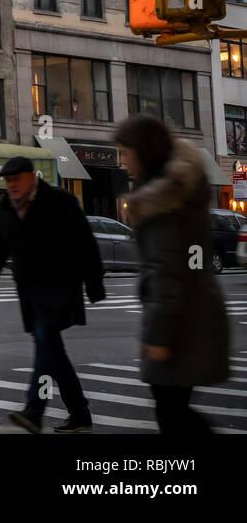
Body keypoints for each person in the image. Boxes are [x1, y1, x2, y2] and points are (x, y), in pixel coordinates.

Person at [114, 115, 230, 435]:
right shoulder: (178, 193)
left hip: (179, 324)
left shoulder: (161, 205)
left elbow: (168, 274)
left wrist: (159, 336)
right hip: (192, 315)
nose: (121, 162)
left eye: (125, 153)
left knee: (172, 414)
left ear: (144, 151)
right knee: (174, 410)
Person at [0, 157, 104, 433]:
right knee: (53, 351)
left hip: (61, 287)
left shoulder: (60, 201)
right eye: (7, 181)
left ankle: (34, 410)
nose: (11, 185)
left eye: (16, 179)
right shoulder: (5, 208)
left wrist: (94, 284)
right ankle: (79, 412)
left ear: (32, 178)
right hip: (32, 294)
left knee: (46, 340)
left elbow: (85, 243)